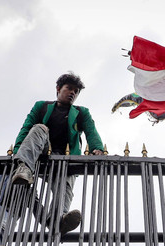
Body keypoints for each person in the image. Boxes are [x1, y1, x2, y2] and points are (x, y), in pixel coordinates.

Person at [11, 72, 104, 235]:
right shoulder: (42, 106)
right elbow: (26, 128)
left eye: (76, 91)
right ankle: (24, 168)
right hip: (41, 155)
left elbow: (91, 130)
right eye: (69, 88)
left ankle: (58, 220)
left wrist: (98, 148)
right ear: (58, 89)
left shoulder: (81, 112)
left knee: (65, 188)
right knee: (39, 128)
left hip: (65, 161)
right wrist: (18, 151)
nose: (73, 93)